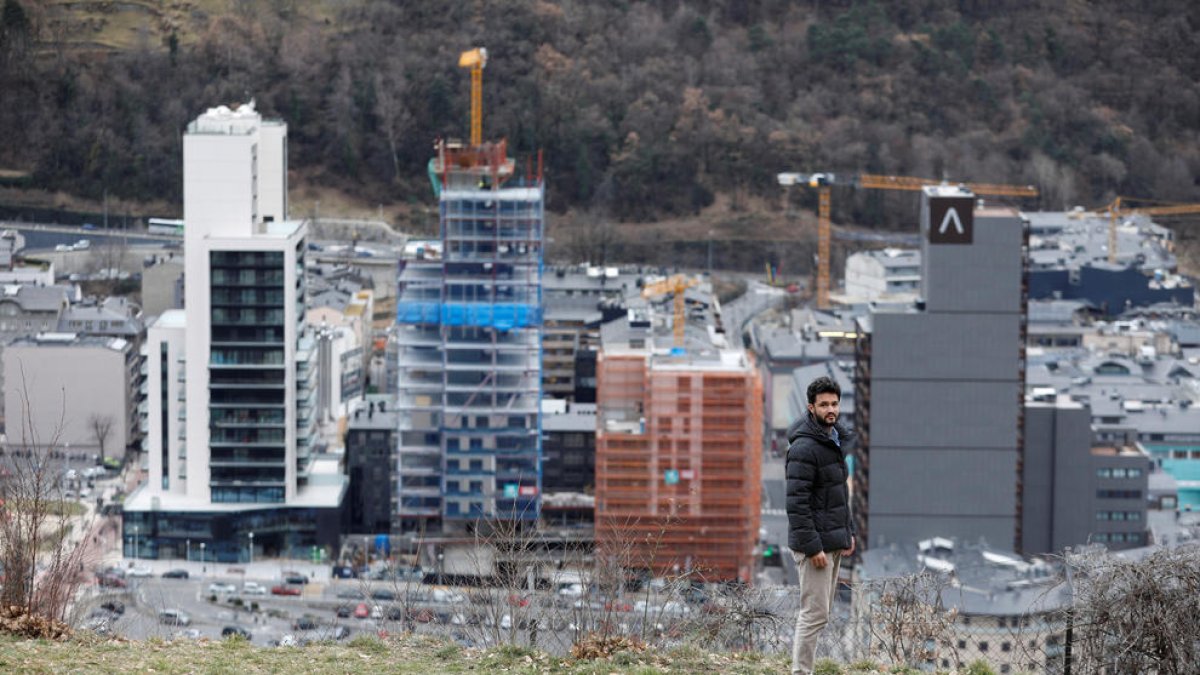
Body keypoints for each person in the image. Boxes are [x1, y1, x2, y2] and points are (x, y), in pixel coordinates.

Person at [785, 376, 856, 675]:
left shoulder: (834, 440)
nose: (831, 409)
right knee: (813, 614)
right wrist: (813, 547)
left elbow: (839, 493)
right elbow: (796, 505)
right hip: (815, 545)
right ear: (810, 407)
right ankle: (801, 672)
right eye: (824, 404)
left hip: (833, 539)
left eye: (835, 403)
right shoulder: (804, 448)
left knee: (821, 614)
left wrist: (847, 531)